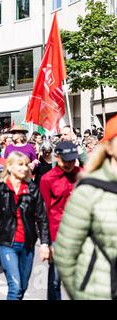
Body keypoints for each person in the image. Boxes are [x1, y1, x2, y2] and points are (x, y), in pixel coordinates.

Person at [55, 115, 117, 300]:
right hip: (99, 291)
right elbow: (66, 251)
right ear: (109, 146)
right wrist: (81, 293)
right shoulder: (89, 190)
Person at [0, 151, 51, 300]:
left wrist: (44, 244)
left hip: (27, 245)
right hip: (7, 244)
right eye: (20, 164)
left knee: (22, 287)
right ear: (9, 167)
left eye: (26, 165)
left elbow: (42, 217)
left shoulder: (32, 189)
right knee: (15, 287)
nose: (24, 168)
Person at [39, 141, 81, 300]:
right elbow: (43, 213)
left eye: (72, 160)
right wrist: (46, 243)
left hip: (81, 234)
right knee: (56, 280)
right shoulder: (47, 179)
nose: (70, 164)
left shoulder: (83, 174)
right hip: (58, 236)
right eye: (66, 160)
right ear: (56, 157)